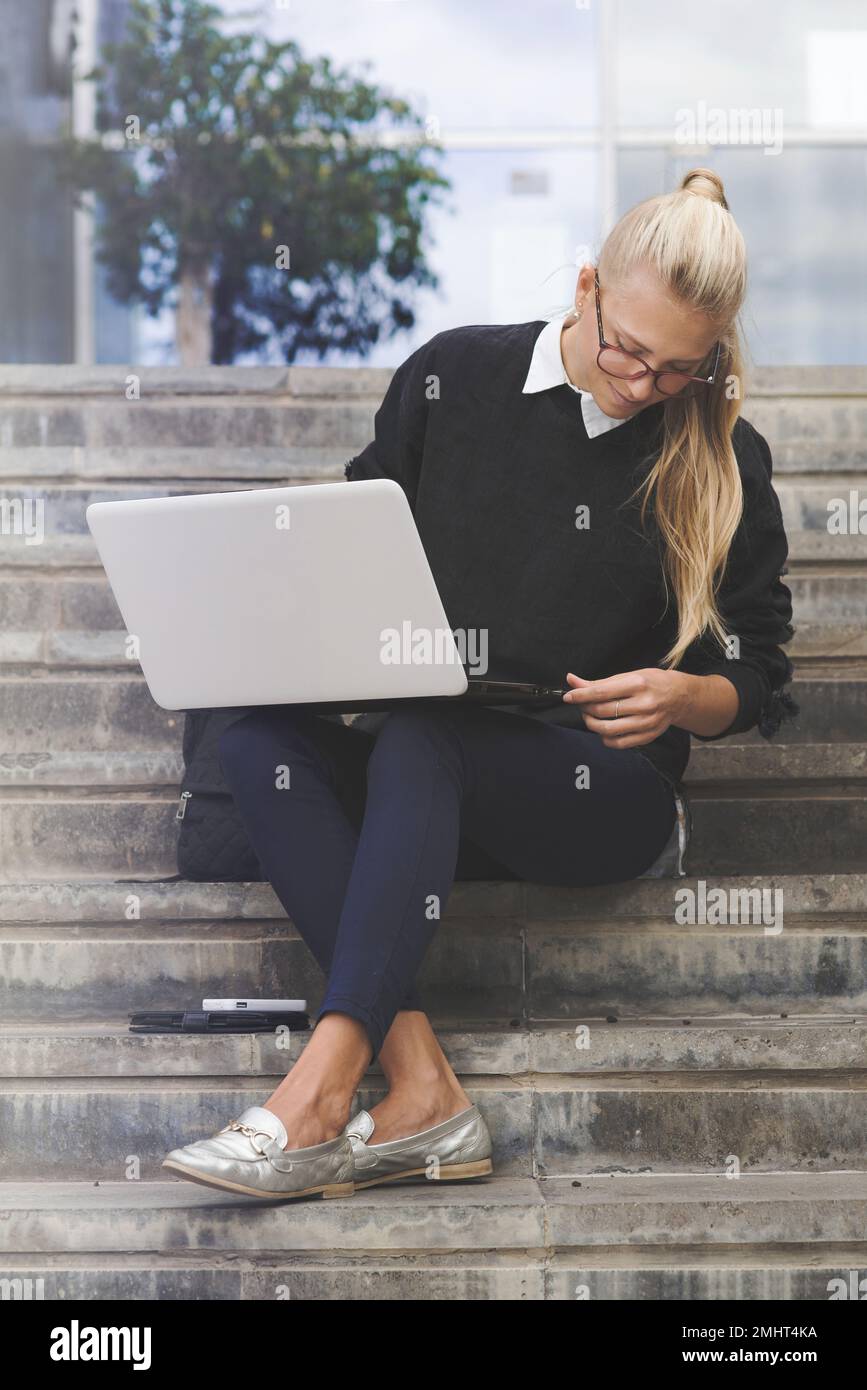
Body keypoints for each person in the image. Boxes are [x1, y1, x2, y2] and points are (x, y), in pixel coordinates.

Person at [161, 167, 797, 1200]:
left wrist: (686, 697)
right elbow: (354, 539)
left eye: (679, 369)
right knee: (256, 741)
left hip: (600, 783)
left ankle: (320, 1092)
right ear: (585, 287)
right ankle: (420, 1086)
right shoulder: (454, 375)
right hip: (431, 758)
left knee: (426, 743)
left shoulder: (722, 454)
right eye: (627, 349)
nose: (641, 385)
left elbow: (760, 668)